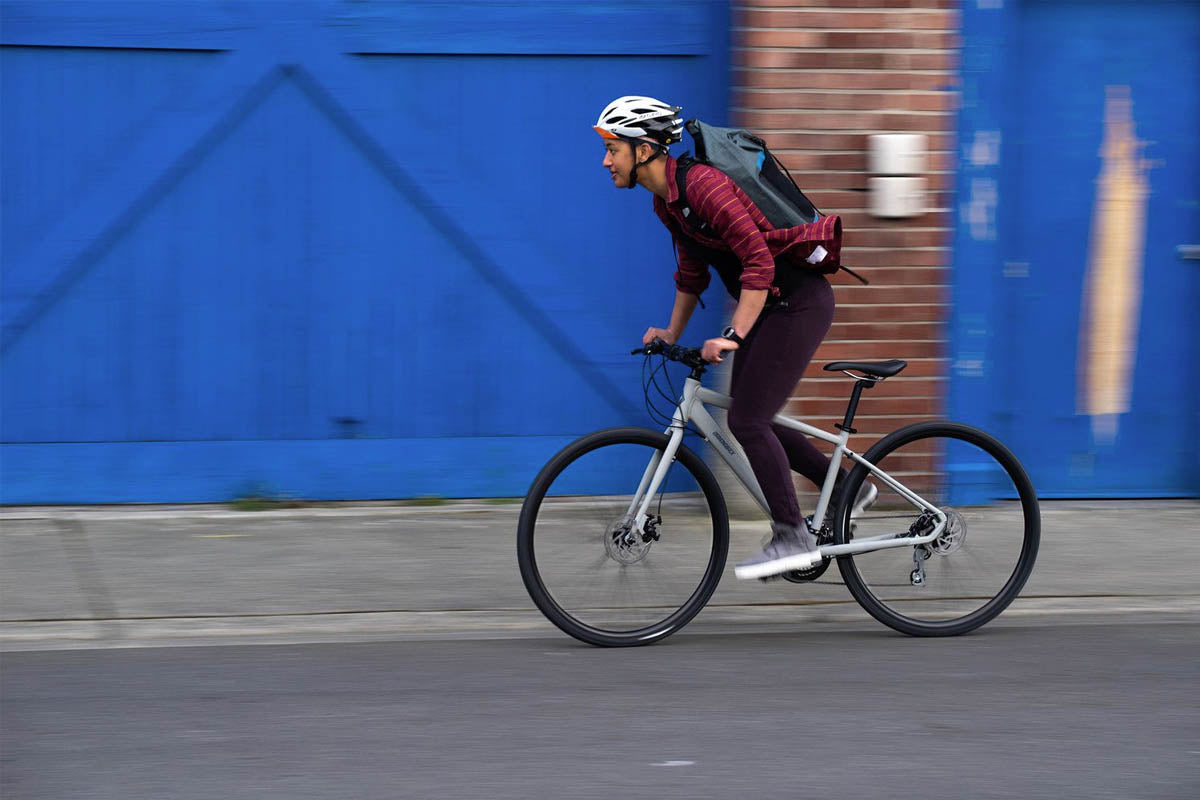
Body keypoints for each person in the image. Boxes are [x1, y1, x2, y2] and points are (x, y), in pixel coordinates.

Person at [594, 95, 876, 580]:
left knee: (748, 420)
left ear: (643, 150)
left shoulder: (703, 185)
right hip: (770, 305)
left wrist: (732, 334)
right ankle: (851, 487)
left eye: (613, 148)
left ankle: (793, 535)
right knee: (750, 414)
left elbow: (759, 262)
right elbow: (691, 273)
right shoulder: (668, 202)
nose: (605, 160)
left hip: (799, 302)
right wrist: (671, 331)